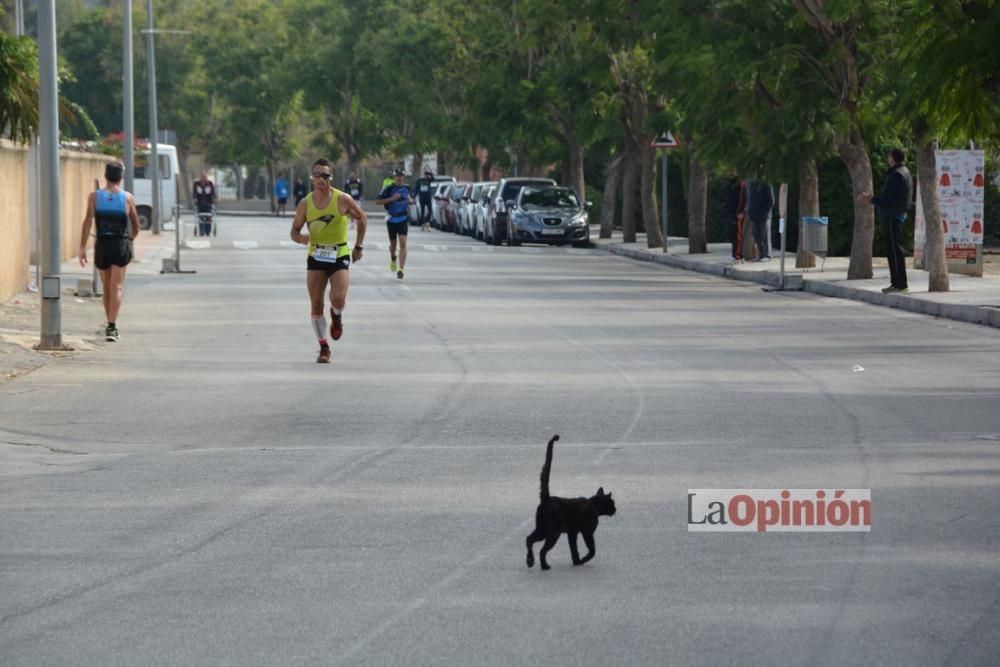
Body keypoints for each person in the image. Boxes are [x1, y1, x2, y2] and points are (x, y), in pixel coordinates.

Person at [290, 158, 367, 363]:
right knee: (316, 305)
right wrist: (301, 238)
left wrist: (358, 246)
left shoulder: (342, 199)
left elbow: (362, 218)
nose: (321, 179)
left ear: (330, 177)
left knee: (338, 299)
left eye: (325, 175)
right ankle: (324, 347)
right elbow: (294, 231)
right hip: (316, 256)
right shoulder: (305, 204)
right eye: (317, 175)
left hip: (339, 254)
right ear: (311, 177)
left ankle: (337, 315)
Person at [77, 161, 140, 343]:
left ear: (105, 176)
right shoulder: (127, 198)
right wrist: (129, 241)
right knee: (117, 287)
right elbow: (136, 226)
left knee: (106, 288)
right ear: (121, 178)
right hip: (120, 244)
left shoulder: (94, 197)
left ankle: (110, 324)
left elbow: (87, 221)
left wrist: (82, 247)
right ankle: (112, 325)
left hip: (102, 244)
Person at [860, 148, 913, 293]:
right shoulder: (905, 172)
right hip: (898, 213)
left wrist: (871, 199)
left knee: (895, 251)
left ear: (893, 158)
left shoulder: (896, 175)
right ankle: (896, 283)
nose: (888, 159)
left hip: (893, 215)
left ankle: (900, 284)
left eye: (889, 156)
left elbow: (888, 200)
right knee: (894, 250)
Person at [375, 168, 413, 279]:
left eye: (401, 176)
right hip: (391, 219)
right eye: (397, 176)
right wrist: (392, 199)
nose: (399, 178)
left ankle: (401, 269)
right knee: (393, 245)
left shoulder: (407, 188)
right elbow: (377, 201)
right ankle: (393, 258)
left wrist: (411, 200)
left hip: (403, 218)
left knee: (403, 242)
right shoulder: (389, 188)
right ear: (394, 177)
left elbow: (411, 198)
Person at [746, 178, 774, 262]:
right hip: (754, 215)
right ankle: (761, 254)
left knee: (765, 236)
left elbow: (771, 200)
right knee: (756, 235)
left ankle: (767, 255)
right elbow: (750, 199)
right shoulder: (752, 185)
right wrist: (749, 211)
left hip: (764, 215)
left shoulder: (767, 184)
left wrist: (765, 213)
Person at [725, 175, 747, 263]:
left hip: (737, 213)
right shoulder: (729, 184)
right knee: (733, 235)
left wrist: (741, 212)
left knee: (737, 235)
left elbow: (743, 199)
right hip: (731, 212)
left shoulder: (740, 185)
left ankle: (737, 255)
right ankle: (735, 254)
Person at [193, 171, 217, 236]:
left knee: (208, 217)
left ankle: (208, 231)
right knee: (201, 217)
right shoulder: (196, 184)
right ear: (200, 178)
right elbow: (194, 192)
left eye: (205, 177)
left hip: (208, 203)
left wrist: (214, 198)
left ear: (207, 178)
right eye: (202, 177)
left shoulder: (210, 183)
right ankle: (201, 231)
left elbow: (213, 192)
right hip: (200, 203)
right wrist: (195, 198)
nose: (204, 179)